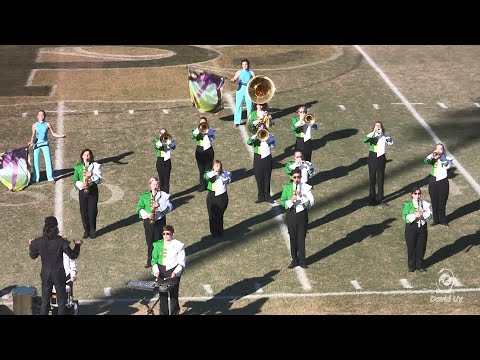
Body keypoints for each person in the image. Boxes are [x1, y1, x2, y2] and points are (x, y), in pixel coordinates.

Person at [29, 216, 82, 315]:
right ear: (56, 227)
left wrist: (31, 245)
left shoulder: (39, 242)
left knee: (45, 301)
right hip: (58, 274)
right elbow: (73, 255)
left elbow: (33, 255)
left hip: (45, 274)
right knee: (61, 302)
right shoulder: (61, 241)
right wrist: (78, 245)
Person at [280, 169, 314, 269]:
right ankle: (294, 260)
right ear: (292, 178)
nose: (296, 179)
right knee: (293, 237)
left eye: (298, 177)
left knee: (301, 238)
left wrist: (302, 198)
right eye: (295, 177)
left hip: (302, 215)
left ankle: (302, 260)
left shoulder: (305, 187)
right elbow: (282, 201)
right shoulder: (287, 188)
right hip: (291, 215)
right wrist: (291, 201)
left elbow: (311, 201)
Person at [136, 177, 173, 268]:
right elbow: (139, 208)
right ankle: (150, 261)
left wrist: (159, 206)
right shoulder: (144, 196)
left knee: (159, 241)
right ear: (150, 185)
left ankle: (160, 260)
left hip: (160, 221)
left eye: (156, 184)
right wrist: (147, 215)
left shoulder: (163, 195)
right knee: (149, 241)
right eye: (153, 184)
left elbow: (170, 207)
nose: (155, 186)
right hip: (148, 222)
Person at [151, 225, 186, 315]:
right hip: (161, 270)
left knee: (173, 295)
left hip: (173, 270)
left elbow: (182, 262)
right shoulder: (157, 244)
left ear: (172, 234)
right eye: (164, 234)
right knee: (162, 295)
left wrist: (175, 272)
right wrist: (156, 271)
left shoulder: (178, 245)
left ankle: (175, 313)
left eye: (168, 233)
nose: (166, 235)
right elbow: (154, 260)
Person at [27, 110, 66, 183]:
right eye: (40, 115)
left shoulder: (48, 124)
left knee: (48, 161)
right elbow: (33, 136)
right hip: (37, 145)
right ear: (37, 116)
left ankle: (50, 178)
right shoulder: (34, 125)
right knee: (36, 162)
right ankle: (35, 178)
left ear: (44, 116)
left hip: (45, 145)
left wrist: (61, 136)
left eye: (42, 115)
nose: (41, 116)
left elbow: (54, 134)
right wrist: (31, 142)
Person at [73, 149, 103, 239]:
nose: (87, 156)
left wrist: (92, 175)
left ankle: (92, 230)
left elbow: (99, 180)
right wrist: (80, 185)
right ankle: (86, 230)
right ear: (82, 156)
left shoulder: (96, 166)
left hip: (92, 189)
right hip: (82, 190)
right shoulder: (78, 167)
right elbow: (75, 179)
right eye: (85, 155)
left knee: (92, 211)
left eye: (89, 155)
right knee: (83, 211)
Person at [362, 121, 393, 205]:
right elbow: (364, 140)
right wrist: (374, 132)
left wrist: (383, 134)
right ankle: (372, 198)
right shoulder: (371, 135)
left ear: (382, 127)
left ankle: (380, 198)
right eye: (376, 125)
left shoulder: (385, 136)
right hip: (372, 157)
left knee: (380, 178)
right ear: (374, 127)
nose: (378, 127)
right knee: (372, 178)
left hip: (381, 158)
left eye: (379, 125)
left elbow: (390, 142)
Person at [401, 187, 432, 272]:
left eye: (419, 194)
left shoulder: (424, 203)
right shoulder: (408, 205)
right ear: (412, 194)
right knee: (411, 247)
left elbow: (430, 216)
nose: (417, 196)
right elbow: (405, 217)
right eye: (416, 194)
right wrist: (415, 215)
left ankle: (419, 265)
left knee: (421, 247)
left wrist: (423, 214)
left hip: (422, 228)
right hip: (411, 228)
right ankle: (411, 266)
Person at [424, 143, 453, 226]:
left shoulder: (447, 158)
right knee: (434, 201)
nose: (438, 150)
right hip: (433, 181)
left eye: (440, 149)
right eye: (437, 149)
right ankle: (435, 220)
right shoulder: (434, 158)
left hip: (443, 182)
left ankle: (442, 219)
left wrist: (440, 158)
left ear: (443, 150)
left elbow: (447, 166)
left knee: (442, 201)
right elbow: (426, 161)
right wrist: (432, 155)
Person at [247, 122, 277, 203]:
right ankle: (261, 196)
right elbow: (249, 142)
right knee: (259, 177)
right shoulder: (255, 137)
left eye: (263, 127)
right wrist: (256, 135)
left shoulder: (270, 136)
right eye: (260, 128)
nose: (261, 129)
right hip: (258, 158)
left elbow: (274, 144)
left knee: (267, 177)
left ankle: (267, 196)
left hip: (267, 158)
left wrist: (268, 139)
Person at [203, 160, 232, 238]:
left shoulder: (226, 173)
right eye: (215, 165)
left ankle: (220, 231)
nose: (217, 167)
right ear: (213, 166)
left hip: (222, 197)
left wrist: (220, 175)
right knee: (211, 215)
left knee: (219, 215)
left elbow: (228, 181)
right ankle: (213, 233)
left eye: (218, 165)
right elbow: (206, 177)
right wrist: (215, 172)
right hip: (212, 196)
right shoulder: (209, 173)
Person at [191, 117, 215, 192]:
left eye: (204, 122)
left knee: (208, 169)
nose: (203, 124)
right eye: (201, 123)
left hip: (208, 151)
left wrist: (207, 132)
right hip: (200, 151)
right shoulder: (196, 130)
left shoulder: (210, 130)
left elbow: (212, 138)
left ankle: (209, 185)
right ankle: (202, 186)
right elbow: (192, 136)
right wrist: (199, 130)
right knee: (201, 169)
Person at [231, 59, 255, 127]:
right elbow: (234, 79)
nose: (245, 66)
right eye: (243, 64)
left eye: (246, 64)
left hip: (248, 90)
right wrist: (232, 80)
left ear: (248, 65)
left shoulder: (251, 72)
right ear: (241, 65)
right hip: (240, 90)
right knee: (238, 105)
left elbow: (255, 81)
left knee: (249, 106)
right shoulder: (239, 72)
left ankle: (250, 121)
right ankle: (236, 121)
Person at [153, 128, 176, 193]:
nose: (163, 135)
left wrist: (168, 141)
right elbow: (157, 145)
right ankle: (161, 195)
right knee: (161, 179)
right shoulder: (156, 140)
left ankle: (166, 196)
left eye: (164, 133)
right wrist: (162, 140)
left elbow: (173, 146)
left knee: (166, 179)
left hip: (167, 161)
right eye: (161, 133)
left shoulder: (170, 140)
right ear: (159, 134)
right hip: (160, 161)